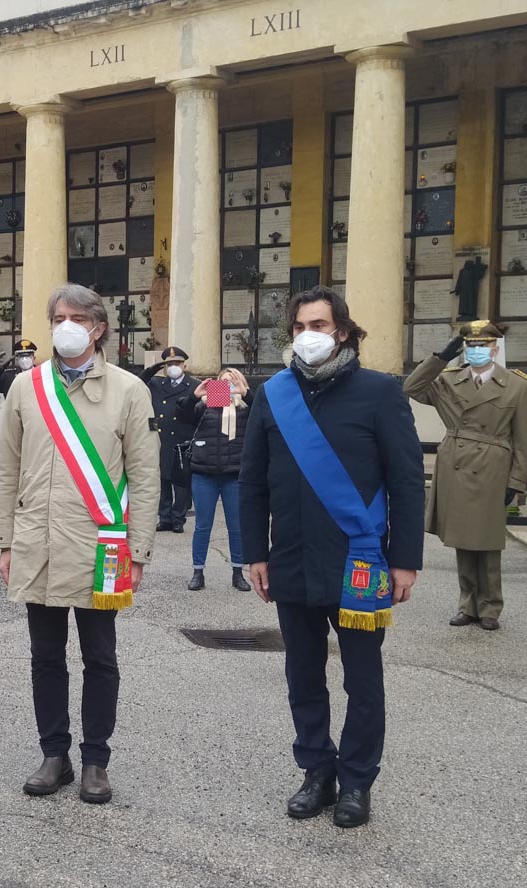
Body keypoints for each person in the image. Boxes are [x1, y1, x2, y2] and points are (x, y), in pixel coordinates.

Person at [239, 286, 424, 828]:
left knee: (363, 679)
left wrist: (405, 559)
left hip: (360, 562)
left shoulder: (380, 392)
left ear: (341, 330)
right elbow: (252, 482)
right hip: (291, 557)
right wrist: (256, 553)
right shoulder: (273, 394)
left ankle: (357, 780)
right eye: (298, 328)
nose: (307, 337)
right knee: (302, 674)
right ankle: (317, 772)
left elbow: (408, 481)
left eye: (318, 326)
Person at [0, 283, 160, 804]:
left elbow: (145, 474)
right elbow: (6, 470)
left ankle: (95, 761)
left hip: (101, 549)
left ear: (97, 327)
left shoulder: (130, 390)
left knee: (100, 657)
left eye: (74, 317)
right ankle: (54, 755)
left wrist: (140, 551)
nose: (64, 325)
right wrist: (5, 542)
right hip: (37, 543)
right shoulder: (28, 387)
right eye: (56, 316)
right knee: (46, 656)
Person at [404, 320, 527, 631]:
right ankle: (466, 604)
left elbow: (523, 439)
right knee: (462, 540)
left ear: (495, 349)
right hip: (456, 463)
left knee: (487, 542)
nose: (477, 351)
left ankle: (490, 608)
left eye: (483, 346)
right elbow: (411, 387)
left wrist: (517, 482)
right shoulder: (448, 380)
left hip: (492, 467)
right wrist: (441, 356)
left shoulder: (516, 385)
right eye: (471, 346)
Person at [175, 366, 252, 592]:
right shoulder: (205, 406)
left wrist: (245, 393)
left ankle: (238, 572)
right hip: (204, 473)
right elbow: (182, 416)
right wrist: (194, 396)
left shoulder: (247, 409)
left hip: (234, 475)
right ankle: (198, 572)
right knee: (202, 526)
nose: (228, 386)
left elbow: (264, 410)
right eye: (223, 382)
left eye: (233, 382)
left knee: (236, 527)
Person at [141, 347, 199, 532]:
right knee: (163, 479)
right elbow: (137, 382)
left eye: (177, 363)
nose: (174, 367)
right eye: (169, 364)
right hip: (161, 437)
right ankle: (164, 517)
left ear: (184, 365)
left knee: (181, 482)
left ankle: (178, 519)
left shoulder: (195, 384)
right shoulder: (157, 384)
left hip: (183, 438)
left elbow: (219, 404)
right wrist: (152, 369)